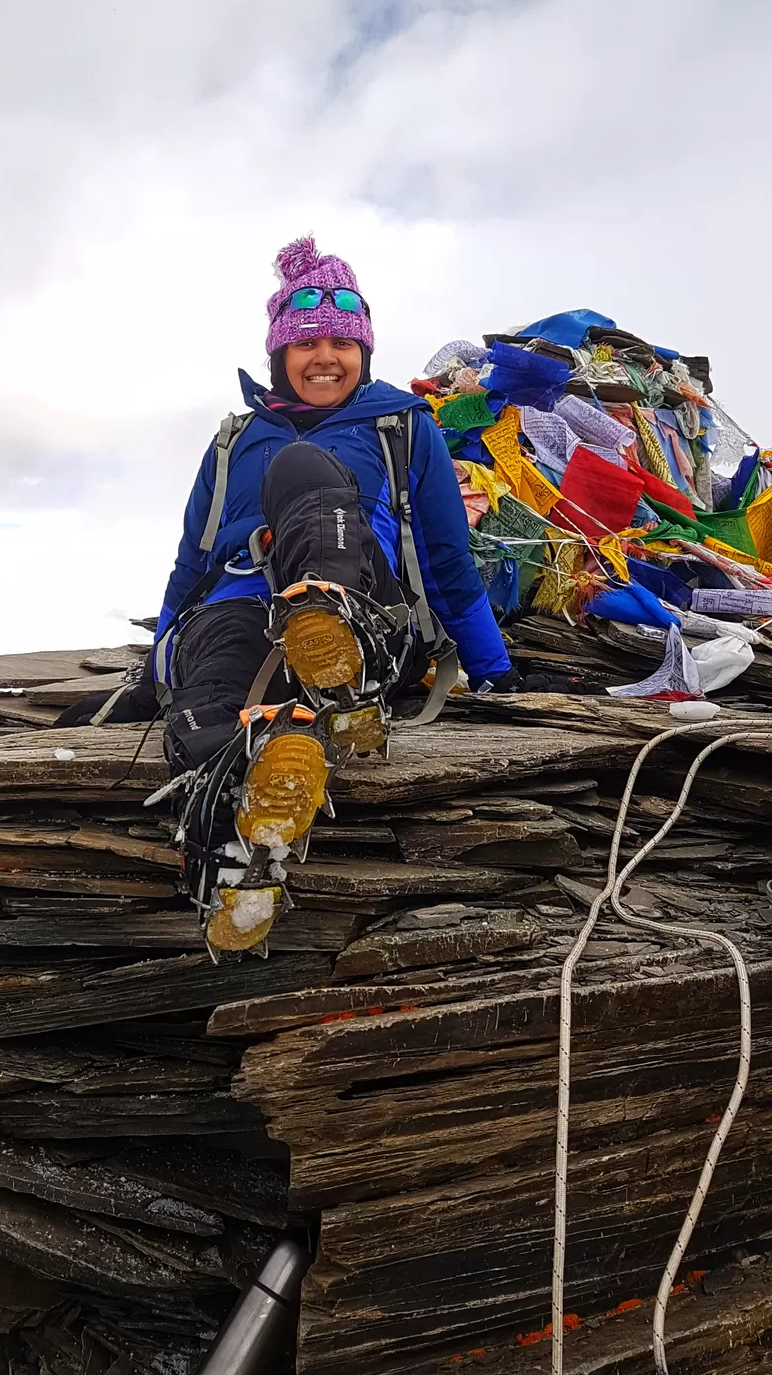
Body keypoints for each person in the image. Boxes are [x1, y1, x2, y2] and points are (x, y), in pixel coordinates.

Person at [64, 235, 523, 957]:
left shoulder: (402, 424)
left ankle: (336, 641)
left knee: (304, 470)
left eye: (344, 342)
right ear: (281, 353)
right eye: (308, 343)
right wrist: (161, 663)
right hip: (240, 607)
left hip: (373, 607)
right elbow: (192, 564)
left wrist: (493, 670)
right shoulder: (232, 440)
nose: (326, 358)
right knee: (209, 692)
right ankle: (241, 864)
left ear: (365, 352)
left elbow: (445, 561)